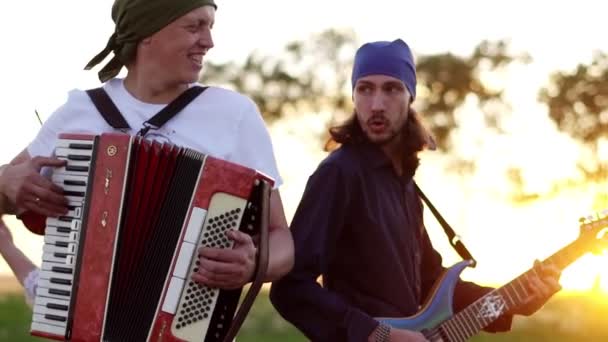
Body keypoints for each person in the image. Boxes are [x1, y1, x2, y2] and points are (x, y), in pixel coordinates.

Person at [0, 0, 293, 306]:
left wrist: (253, 265)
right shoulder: (78, 114)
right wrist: (6, 180)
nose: (208, 41)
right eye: (194, 26)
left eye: (210, 26)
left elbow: (281, 240)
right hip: (82, 318)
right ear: (147, 32)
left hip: (183, 324)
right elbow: (6, 195)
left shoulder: (233, 115)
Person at [269, 39, 561, 342]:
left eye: (391, 89)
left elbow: (431, 284)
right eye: (365, 89)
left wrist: (515, 300)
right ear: (353, 96)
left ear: (410, 96)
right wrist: (379, 334)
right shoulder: (339, 173)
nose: (377, 104)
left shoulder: (404, 184)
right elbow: (290, 286)